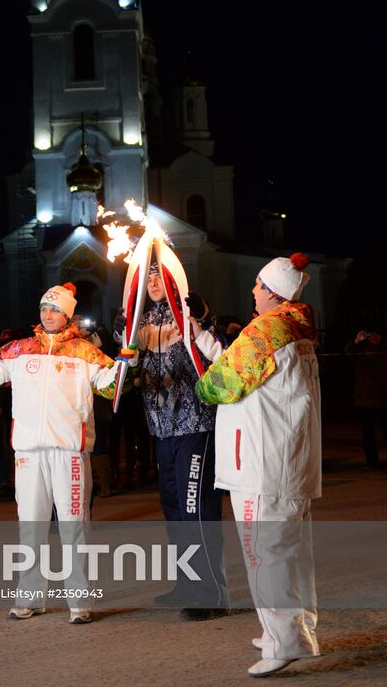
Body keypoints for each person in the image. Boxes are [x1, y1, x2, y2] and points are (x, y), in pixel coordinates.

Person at [0, 282, 133, 624]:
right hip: (28, 451)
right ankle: (30, 597)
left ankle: (79, 601)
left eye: (55, 309)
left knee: (74, 526)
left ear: (68, 314)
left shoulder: (85, 353)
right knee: (31, 525)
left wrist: (126, 360)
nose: (48, 314)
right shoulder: (20, 350)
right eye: (44, 308)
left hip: (69, 451)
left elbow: (111, 386)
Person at [194, 253, 321, 678]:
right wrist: (202, 339)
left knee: (266, 554)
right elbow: (241, 362)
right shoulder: (295, 329)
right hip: (288, 460)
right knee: (292, 553)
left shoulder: (266, 330)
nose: (251, 291)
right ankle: (290, 631)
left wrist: (202, 383)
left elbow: (221, 384)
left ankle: (285, 642)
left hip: (262, 463)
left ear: (272, 291)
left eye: (256, 285)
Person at [114, 265, 230, 619]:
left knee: (196, 508)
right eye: (148, 279)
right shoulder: (142, 322)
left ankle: (210, 594)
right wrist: (123, 325)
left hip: (195, 423)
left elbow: (210, 328)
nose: (152, 284)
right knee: (175, 511)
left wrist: (196, 309)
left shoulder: (190, 311)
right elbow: (126, 352)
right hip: (161, 428)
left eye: (158, 278)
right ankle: (188, 582)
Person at [352, 330, 387, 468]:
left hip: (384, 398)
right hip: (366, 399)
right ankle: (372, 461)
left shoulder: (386, 351)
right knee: (368, 433)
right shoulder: (361, 350)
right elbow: (348, 354)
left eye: (378, 334)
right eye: (372, 335)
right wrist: (356, 342)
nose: (376, 337)